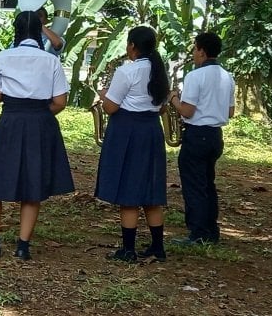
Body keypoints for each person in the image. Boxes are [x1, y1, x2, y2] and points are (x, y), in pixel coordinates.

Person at [0, 11, 73, 261]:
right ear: (39, 31)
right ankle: (22, 246)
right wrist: (40, 114)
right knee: (34, 184)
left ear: (17, 31)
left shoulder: (3, 57)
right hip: (41, 122)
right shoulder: (51, 61)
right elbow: (60, 102)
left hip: (11, 120)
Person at [95, 26, 169, 263]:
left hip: (128, 130)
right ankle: (158, 247)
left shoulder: (127, 71)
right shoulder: (159, 71)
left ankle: (128, 249)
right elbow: (162, 105)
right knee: (150, 190)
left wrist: (104, 93)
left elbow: (110, 107)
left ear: (133, 46)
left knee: (129, 191)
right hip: (151, 130)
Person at [170, 32, 235, 246]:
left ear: (202, 51)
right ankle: (211, 231)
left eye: (195, 49)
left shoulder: (195, 76)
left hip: (197, 135)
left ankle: (197, 233)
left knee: (194, 185)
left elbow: (187, 111)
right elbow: (231, 111)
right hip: (216, 136)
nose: (194, 53)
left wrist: (174, 99)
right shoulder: (227, 76)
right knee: (208, 183)